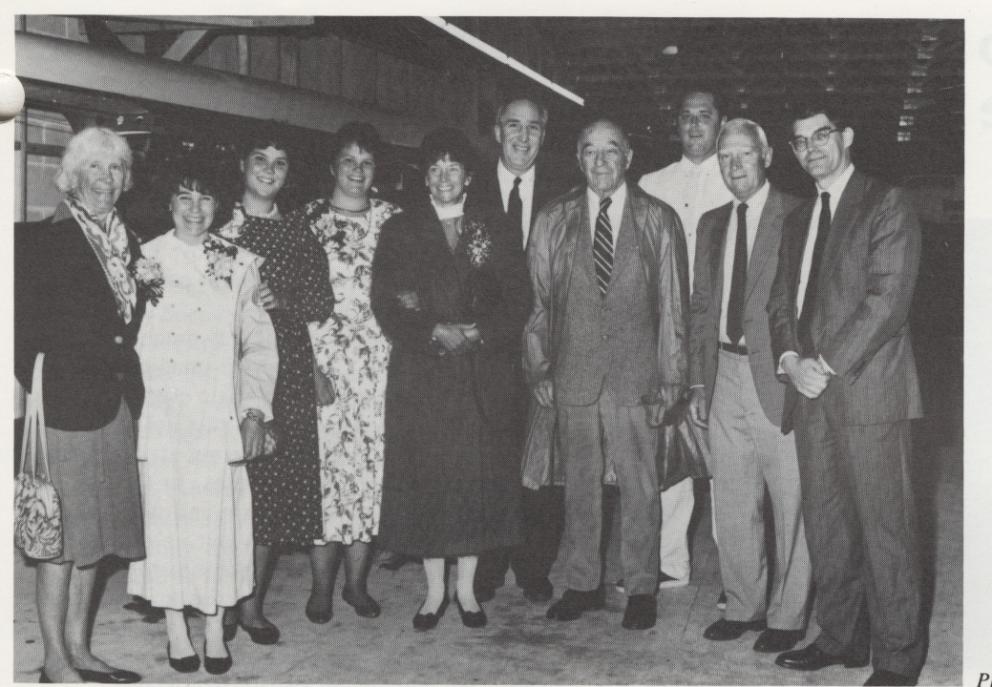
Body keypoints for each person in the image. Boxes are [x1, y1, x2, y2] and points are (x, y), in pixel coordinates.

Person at [766, 103, 926, 686]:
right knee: (828, 525)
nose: (812, 148)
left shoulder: (886, 202)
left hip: (868, 395)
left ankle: (898, 659)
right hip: (809, 395)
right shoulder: (795, 221)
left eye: (823, 135)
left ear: (848, 137)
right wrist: (789, 361)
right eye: (800, 140)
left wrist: (823, 365)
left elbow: (886, 302)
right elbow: (780, 306)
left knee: (886, 530)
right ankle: (841, 637)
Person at [526, 118, 689, 631]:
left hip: (636, 378)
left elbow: (673, 308)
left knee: (641, 487)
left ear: (629, 157)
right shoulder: (553, 218)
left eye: (611, 151)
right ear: (577, 158)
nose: (600, 162)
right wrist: (539, 368)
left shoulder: (659, 220)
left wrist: (672, 380)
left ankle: (642, 586)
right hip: (573, 376)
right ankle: (582, 584)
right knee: (579, 487)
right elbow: (538, 305)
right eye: (590, 151)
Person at [372, 127, 530, 630]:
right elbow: (386, 300)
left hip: (480, 374)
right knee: (430, 483)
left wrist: (480, 332)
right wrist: (432, 329)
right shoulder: (400, 228)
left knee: (473, 483)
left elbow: (518, 299)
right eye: (435, 168)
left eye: (453, 168)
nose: (444, 177)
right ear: (425, 177)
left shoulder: (496, 227)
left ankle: (467, 592)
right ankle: (433, 592)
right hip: (424, 373)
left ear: (469, 176)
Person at [126, 166, 278, 676]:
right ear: (168, 204)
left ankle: (214, 627)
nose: (195, 209)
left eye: (205, 198)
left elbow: (258, 345)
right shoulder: (143, 259)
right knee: (166, 522)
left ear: (220, 205)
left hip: (218, 416)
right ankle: (175, 627)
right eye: (184, 197)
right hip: (166, 417)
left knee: (217, 523)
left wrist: (255, 411)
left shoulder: (239, 263)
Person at [15, 126, 147, 684]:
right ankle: (53, 662)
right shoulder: (45, 239)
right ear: (74, 176)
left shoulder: (131, 242)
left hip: (115, 401)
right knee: (60, 539)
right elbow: (19, 332)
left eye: (115, 169)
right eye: (96, 168)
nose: (107, 180)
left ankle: (80, 649)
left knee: (96, 536)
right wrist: (46, 383)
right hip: (66, 402)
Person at [687, 118, 811, 653]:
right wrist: (697, 378)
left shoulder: (797, 214)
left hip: (777, 375)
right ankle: (742, 604)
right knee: (732, 499)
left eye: (745, 155)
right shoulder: (713, 223)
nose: (735, 166)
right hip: (722, 373)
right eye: (725, 157)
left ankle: (788, 614)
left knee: (790, 502)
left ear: (766, 157)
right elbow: (699, 307)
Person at [215, 131, 334, 642]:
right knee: (226, 487)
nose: (269, 168)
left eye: (280, 162)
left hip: (284, 369)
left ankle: (251, 607)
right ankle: (218, 603)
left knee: (268, 490)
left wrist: (284, 297)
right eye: (260, 158)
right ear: (242, 163)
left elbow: (322, 301)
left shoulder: (298, 231)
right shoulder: (214, 224)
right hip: (222, 363)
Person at [470, 96, 573, 604]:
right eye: (514, 125)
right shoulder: (469, 190)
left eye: (534, 127)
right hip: (485, 349)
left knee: (543, 464)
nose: (523, 137)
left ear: (545, 135)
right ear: (496, 130)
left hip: (547, 350)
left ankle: (535, 565)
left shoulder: (564, 192)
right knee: (490, 460)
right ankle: (486, 564)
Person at [303, 122, 401, 622]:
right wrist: (310, 369)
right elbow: (295, 304)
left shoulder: (394, 220)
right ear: (332, 167)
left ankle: (356, 585)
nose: (358, 172)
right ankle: (321, 587)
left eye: (366, 163)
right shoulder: (309, 221)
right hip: (325, 369)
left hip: (380, 370)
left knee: (369, 478)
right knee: (327, 479)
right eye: (348, 162)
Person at [638, 87, 733, 596]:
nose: (695, 125)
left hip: (722, 333)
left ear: (722, 122)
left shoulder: (739, 175)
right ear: (675, 125)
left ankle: (736, 572)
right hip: (666, 337)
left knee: (728, 458)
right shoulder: (651, 184)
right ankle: (670, 562)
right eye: (687, 116)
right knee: (669, 452)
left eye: (706, 115)